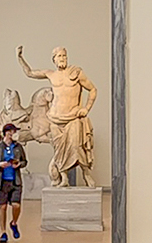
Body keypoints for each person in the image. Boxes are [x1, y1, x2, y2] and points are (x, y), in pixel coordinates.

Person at [18, 45, 99, 186]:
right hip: (55, 118)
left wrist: (86, 108)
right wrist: (20, 58)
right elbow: (30, 72)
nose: (62, 58)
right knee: (59, 149)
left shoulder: (76, 72)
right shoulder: (51, 74)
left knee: (76, 147)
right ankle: (64, 178)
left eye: (64, 55)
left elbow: (92, 89)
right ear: (54, 60)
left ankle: (86, 174)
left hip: (73, 117)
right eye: (59, 56)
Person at [0, 124, 27, 243]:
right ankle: (3, 232)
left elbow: (25, 161)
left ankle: (14, 222)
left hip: (15, 180)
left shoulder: (18, 147)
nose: (13, 133)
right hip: (2, 181)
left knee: (16, 205)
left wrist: (19, 164)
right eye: (12, 131)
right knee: (3, 206)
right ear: (6, 133)